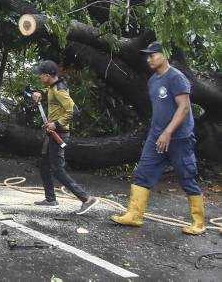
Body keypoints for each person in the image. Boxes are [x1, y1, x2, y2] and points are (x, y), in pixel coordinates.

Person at [111, 42, 205, 235]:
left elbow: (184, 108)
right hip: (157, 136)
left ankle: (199, 222)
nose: (149, 59)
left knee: (187, 176)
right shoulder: (153, 80)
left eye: (153, 55)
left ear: (165, 55)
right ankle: (134, 215)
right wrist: (158, 131)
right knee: (143, 172)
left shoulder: (177, 78)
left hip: (179, 138)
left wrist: (168, 132)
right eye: (148, 56)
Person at [30, 60, 98, 215]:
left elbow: (73, 111)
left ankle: (86, 198)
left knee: (57, 169)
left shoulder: (59, 90)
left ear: (47, 76)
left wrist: (56, 124)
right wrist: (39, 93)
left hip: (58, 134)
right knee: (44, 165)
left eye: (40, 75)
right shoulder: (53, 87)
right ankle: (50, 199)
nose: (39, 77)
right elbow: (52, 97)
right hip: (52, 133)